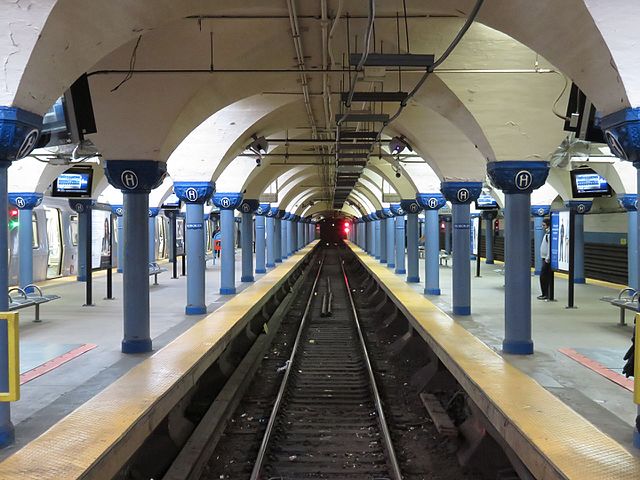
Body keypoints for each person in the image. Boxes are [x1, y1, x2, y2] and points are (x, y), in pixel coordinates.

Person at [538, 217, 551, 300]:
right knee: (544, 276)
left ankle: (545, 294)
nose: (543, 227)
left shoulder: (549, 235)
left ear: (548, 225)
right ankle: (545, 293)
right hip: (544, 258)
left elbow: (550, 247)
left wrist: (547, 258)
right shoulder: (547, 234)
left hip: (547, 259)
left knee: (543, 277)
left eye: (544, 225)